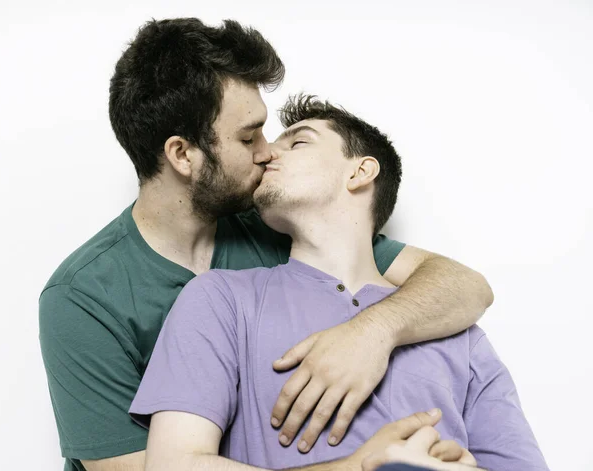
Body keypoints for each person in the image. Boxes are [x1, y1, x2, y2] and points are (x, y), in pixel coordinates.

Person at [39, 18, 493, 471]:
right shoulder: (81, 298)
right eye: (247, 136)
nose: (267, 150)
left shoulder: (278, 224)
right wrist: (363, 467)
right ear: (182, 155)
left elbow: (464, 287)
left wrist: (371, 334)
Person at [129, 95, 548, 471]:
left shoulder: (459, 333)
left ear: (361, 171)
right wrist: (359, 467)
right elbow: (171, 465)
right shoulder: (219, 299)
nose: (265, 154)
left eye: (297, 142)